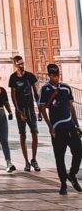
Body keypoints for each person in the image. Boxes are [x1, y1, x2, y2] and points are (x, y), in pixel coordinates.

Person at [38, 63, 82, 195]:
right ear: (49, 75)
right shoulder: (45, 89)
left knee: (78, 151)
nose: (56, 77)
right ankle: (63, 183)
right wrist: (50, 127)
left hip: (70, 126)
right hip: (57, 128)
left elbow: (71, 106)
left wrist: (77, 125)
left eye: (58, 75)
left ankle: (72, 174)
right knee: (59, 157)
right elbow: (43, 108)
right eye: (53, 75)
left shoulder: (66, 87)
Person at [8, 55, 41, 171]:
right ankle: (26, 161)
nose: (22, 66)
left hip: (30, 109)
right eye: (19, 64)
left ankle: (34, 159)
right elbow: (13, 96)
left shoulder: (30, 76)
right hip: (20, 110)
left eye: (23, 63)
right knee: (23, 135)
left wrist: (40, 110)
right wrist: (18, 111)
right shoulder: (13, 78)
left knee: (35, 133)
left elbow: (36, 93)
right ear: (15, 64)